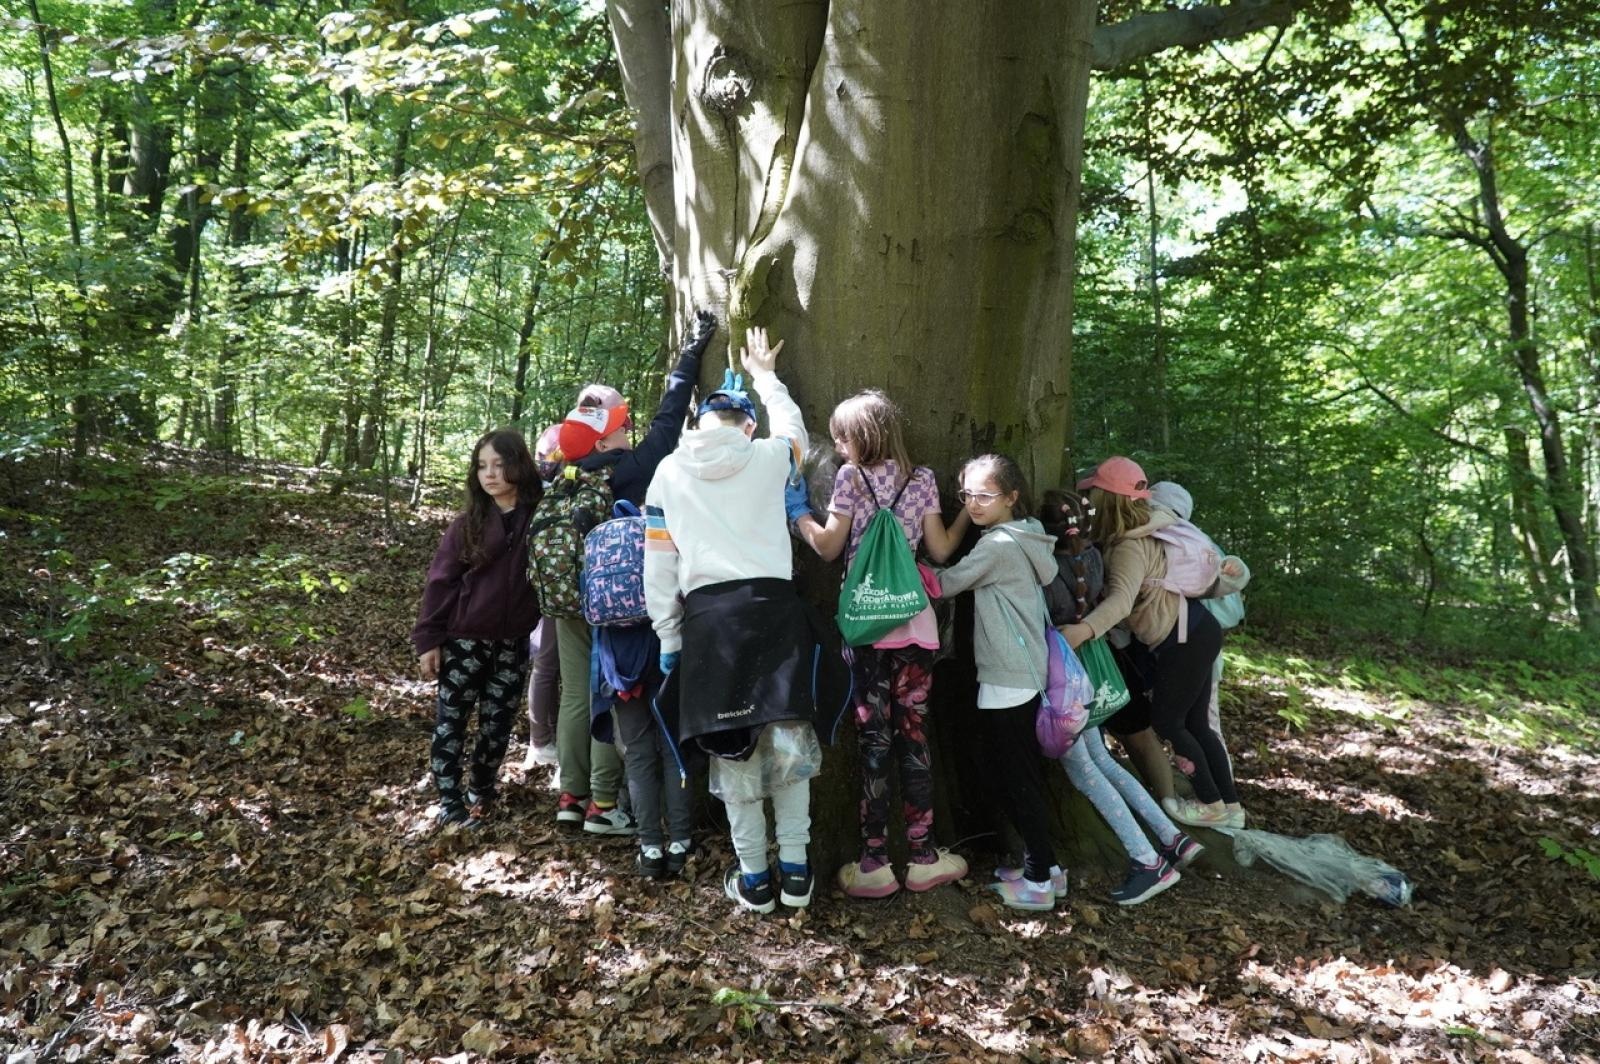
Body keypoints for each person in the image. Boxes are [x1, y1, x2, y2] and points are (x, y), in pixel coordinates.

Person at [644, 326, 844, 914]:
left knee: (731, 747)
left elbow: (659, 564)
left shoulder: (667, 473)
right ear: (747, 426)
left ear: (697, 424)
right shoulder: (770, 457)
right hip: (775, 613)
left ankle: (755, 878)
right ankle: (797, 873)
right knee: (788, 745)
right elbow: (795, 430)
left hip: (709, 623)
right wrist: (765, 376)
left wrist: (668, 634)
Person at [789, 390, 970, 898]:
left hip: (866, 627)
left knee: (874, 739)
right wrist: (963, 514)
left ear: (861, 437)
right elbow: (940, 550)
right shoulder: (923, 479)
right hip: (915, 626)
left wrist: (799, 513)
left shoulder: (850, 478)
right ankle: (923, 856)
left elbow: (828, 547)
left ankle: (873, 861)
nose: (839, 447)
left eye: (843, 438)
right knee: (914, 737)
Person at [549, 312, 718, 838]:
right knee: (606, 692)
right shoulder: (629, 469)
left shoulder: (561, 477)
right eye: (621, 428)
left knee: (573, 695)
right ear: (604, 443)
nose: (629, 431)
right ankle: (603, 803)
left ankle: (571, 796)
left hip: (565, 596)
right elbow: (670, 419)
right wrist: (692, 353)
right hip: (614, 601)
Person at [1061, 457, 1246, 830]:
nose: (1089, 501)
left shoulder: (1129, 546)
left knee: (1169, 721)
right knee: (1196, 724)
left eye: (1093, 494)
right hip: (1198, 631)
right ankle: (1231, 806)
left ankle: (1211, 802)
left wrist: (1083, 631)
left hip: (1184, 640)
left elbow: (1121, 602)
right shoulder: (1144, 530)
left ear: (1105, 498)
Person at [1039, 489, 1201, 905]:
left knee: (1085, 773)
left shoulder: (1045, 571)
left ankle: (1147, 860)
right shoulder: (1094, 557)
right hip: (1088, 671)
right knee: (1103, 761)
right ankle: (1172, 837)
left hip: (1061, 680)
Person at [927, 454, 1062, 912]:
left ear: (1011, 497)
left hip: (1008, 675)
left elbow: (945, 584)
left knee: (1017, 778)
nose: (974, 504)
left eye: (985, 496)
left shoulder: (999, 546)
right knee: (1021, 773)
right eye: (967, 494)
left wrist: (903, 567)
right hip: (1023, 671)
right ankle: (1048, 866)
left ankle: (1039, 881)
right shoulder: (1025, 537)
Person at [412, 429, 543, 829]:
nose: (490, 474)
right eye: (482, 466)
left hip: (513, 643)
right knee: (451, 722)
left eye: (500, 465)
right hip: (464, 642)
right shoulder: (467, 525)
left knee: (497, 726)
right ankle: (449, 802)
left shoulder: (539, 519)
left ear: (519, 466)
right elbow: (440, 583)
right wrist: (429, 639)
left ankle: (480, 792)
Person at [522, 424, 565, 771]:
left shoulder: (536, 489)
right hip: (552, 584)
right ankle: (540, 741)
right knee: (547, 663)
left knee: (546, 662)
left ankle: (544, 736)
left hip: (543, 581)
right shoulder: (549, 491)